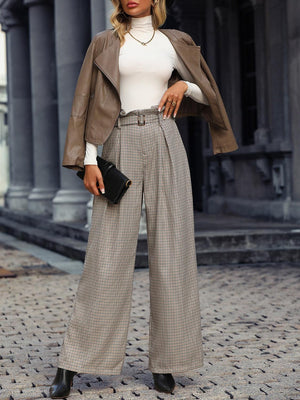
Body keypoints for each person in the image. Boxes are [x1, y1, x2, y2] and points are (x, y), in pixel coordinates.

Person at [49, 0, 238, 398]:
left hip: (165, 137)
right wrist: (89, 160)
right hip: (119, 142)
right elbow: (82, 104)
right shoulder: (103, 42)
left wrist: (183, 85)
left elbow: (210, 94)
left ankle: (167, 363)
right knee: (106, 255)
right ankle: (73, 363)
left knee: (173, 253)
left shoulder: (176, 41)